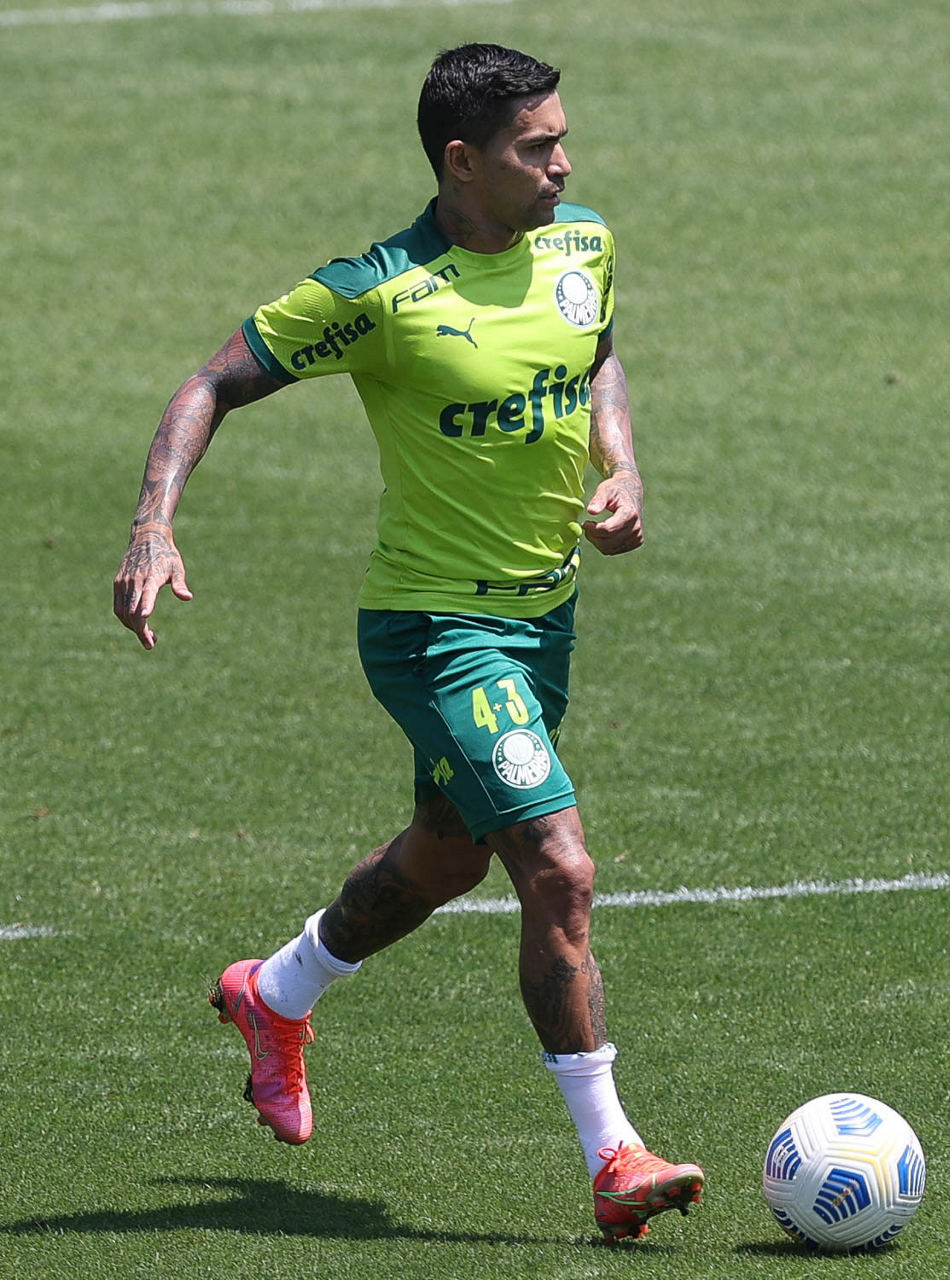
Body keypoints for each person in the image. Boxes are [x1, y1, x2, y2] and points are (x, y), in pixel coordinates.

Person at [113, 42, 704, 1242]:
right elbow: (209, 383)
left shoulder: (581, 245)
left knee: (447, 854)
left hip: (543, 619)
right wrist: (151, 524)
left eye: (560, 140)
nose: (562, 164)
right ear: (461, 161)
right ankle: (613, 1155)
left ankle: (273, 990)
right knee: (557, 864)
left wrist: (622, 464)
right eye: (535, 148)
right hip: (436, 630)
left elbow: (593, 354)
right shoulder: (379, 291)